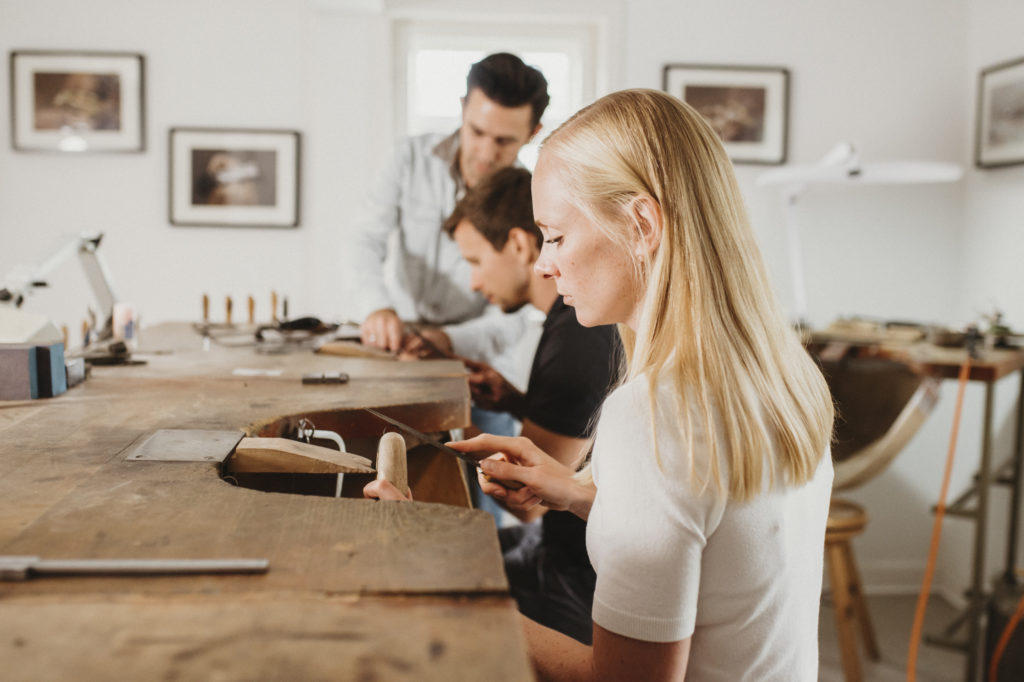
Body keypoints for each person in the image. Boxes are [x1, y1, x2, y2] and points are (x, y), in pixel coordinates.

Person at [439, 89, 835, 680]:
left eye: (556, 235)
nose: (545, 264)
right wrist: (575, 492)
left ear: (642, 224)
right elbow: (719, 543)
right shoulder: (783, 374)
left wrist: (455, 599)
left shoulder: (653, 414)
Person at [344, 52, 549, 364]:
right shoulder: (408, 159)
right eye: (477, 132)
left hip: (471, 356)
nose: (485, 153)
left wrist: (449, 340)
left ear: (533, 133)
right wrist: (376, 307)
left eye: (504, 141)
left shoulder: (532, 199)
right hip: (396, 342)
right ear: (462, 108)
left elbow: (517, 311)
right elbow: (364, 239)